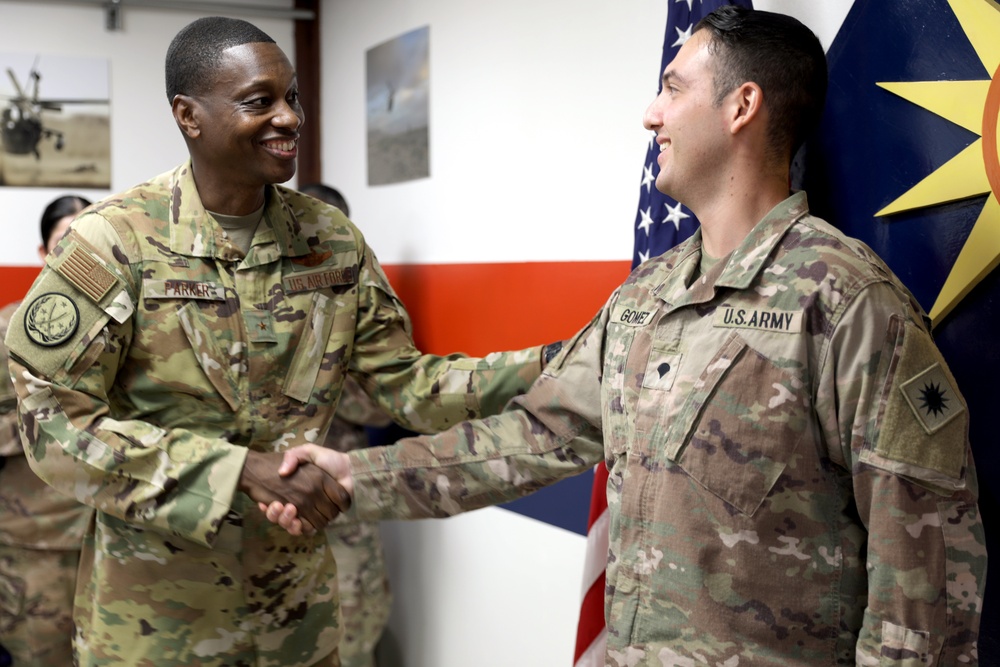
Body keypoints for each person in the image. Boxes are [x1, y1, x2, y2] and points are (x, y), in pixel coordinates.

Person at [268, 7, 986, 665]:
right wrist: (352, 476)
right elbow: (531, 439)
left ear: (742, 106)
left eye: (673, 88)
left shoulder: (847, 304)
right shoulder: (645, 299)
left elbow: (920, 587)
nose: (651, 114)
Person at [3, 17, 555, 667]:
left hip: (295, 618)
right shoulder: (112, 242)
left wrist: (553, 364)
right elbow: (52, 427)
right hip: (153, 624)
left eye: (292, 97)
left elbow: (411, 387)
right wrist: (235, 472)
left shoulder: (331, 239)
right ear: (189, 115)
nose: (289, 117)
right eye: (258, 100)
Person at [300, 182, 396, 667]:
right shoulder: (253, 292)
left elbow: (385, 405)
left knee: (354, 633)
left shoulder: (367, 300)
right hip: (271, 506)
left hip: (343, 500)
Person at [0, 195, 93, 666]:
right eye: (66, 240)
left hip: (113, 538)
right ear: (43, 252)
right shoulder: (6, 330)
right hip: (35, 543)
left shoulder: (133, 328)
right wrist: (50, 429)